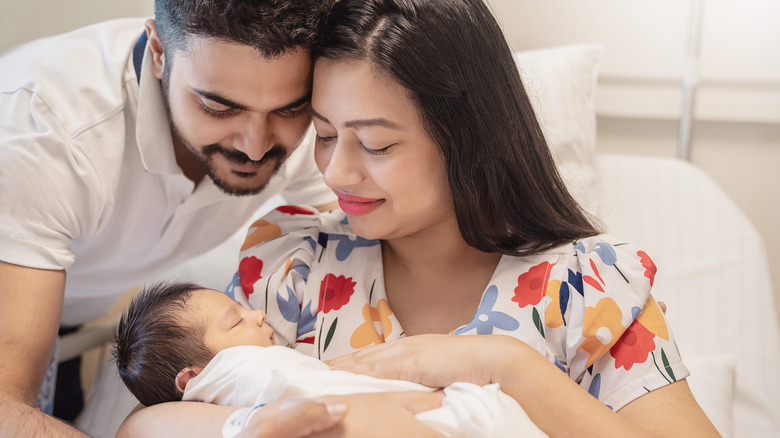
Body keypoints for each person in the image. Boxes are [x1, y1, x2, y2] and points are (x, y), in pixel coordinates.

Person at [120, 0, 721, 436]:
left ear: (466, 140)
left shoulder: (586, 288)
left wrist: (502, 365)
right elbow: (147, 427)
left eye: (377, 146)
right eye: (325, 135)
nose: (338, 173)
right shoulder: (293, 263)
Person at [0, 1, 344, 436]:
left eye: (289, 110)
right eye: (219, 108)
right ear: (158, 53)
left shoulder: (310, 124)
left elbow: (369, 240)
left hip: (74, 304)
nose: (256, 147)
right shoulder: (48, 140)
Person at [114, 281, 546, 438]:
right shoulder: (244, 370)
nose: (258, 312)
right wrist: (415, 400)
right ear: (193, 378)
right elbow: (323, 398)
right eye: (237, 320)